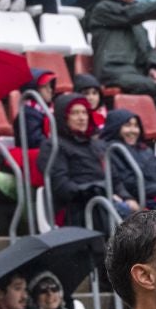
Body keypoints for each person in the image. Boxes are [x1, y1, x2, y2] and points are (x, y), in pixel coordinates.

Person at [50, 93, 135, 224]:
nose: (82, 118)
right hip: (77, 207)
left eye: (84, 112)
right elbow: (63, 187)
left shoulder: (97, 144)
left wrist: (127, 198)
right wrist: (100, 192)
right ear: (63, 117)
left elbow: (114, 179)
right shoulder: (54, 145)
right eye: (75, 113)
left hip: (105, 202)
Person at [86, 0, 156, 95]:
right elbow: (129, 15)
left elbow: (147, 47)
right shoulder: (102, 9)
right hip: (112, 70)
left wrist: (153, 67)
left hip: (136, 71)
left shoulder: (136, 16)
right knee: (146, 85)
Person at [105, 109, 156, 206]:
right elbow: (128, 183)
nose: (133, 130)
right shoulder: (113, 150)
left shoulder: (145, 150)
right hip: (142, 201)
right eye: (127, 125)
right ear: (115, 127)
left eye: (136, 126)